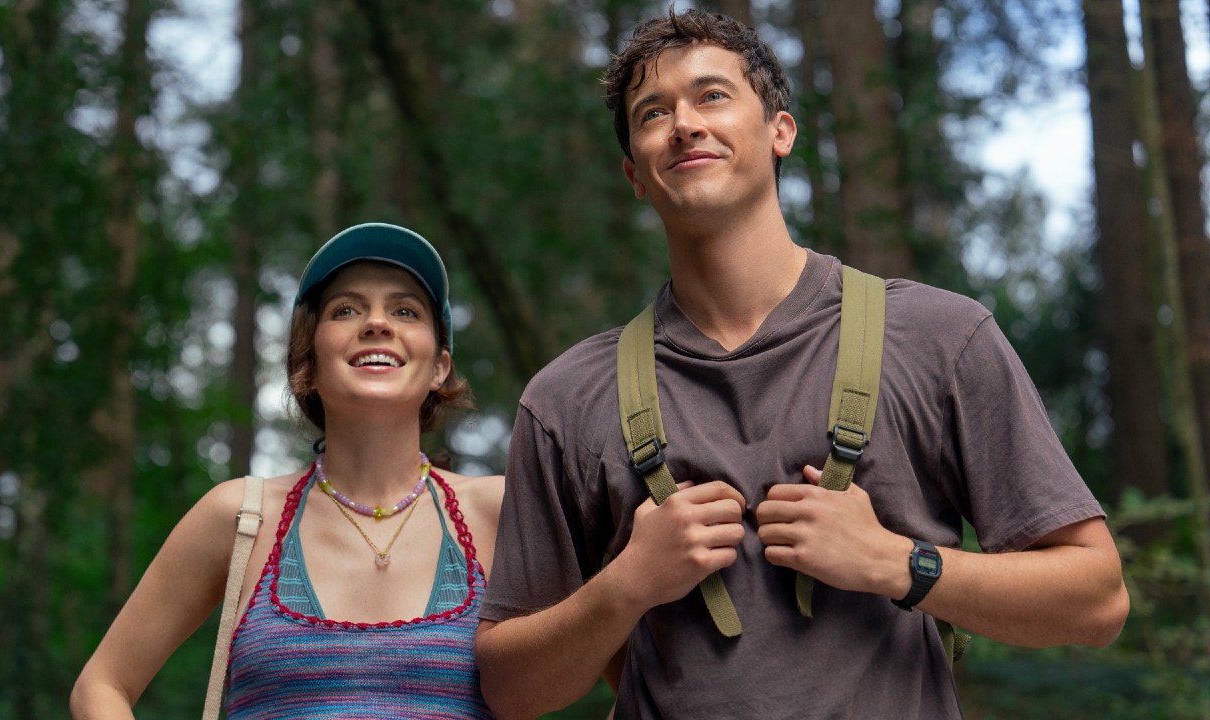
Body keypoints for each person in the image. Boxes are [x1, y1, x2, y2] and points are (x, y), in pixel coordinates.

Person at [474, 9, 1129, 719]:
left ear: (780, 131)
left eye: (712, 95)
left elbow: (1095, 601)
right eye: (653, 113)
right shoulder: (567, 399)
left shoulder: (941, 338)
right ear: (636, 172)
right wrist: (628, 582)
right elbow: (509, 690)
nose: (684, 123)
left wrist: (894, 562)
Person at [71, 223, 502, 719]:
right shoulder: (239, 517)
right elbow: (101, 684)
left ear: (439, 367)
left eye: (406, 311)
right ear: (310, 362)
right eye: (346, 310)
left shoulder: (502, 512)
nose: (378, 323)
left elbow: (612, 662)